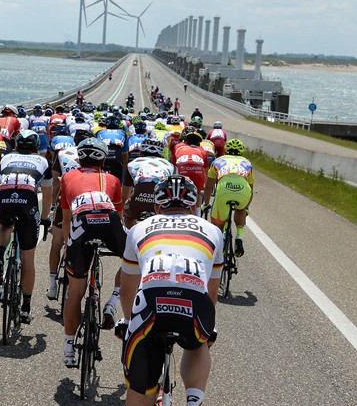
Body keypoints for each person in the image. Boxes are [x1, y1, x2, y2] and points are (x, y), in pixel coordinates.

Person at [118, 174, 223, 406]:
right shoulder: (213, 231)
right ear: (193, 206)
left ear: (156, 206)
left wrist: (127, 322)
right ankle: (194, 400)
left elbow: (127, 289)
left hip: (151, 304)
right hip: (195, 303)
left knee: (139, 389)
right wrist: (208, 328)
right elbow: (211, 293)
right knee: (199, 342)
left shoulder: (139, 228)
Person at [60, 137, 125, 367]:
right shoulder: (113, 179)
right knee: (133, 261)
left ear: (79, 158)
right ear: (103, 159)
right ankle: (113, 302)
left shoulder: (67, 177)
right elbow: (117, 216)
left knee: (75, 293)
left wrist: (70, 247)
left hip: (80, 224)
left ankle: (69, 348)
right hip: (108, 220)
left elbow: (68, 219)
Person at [0, 129, 53, 323]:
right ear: (36, 147)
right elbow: (48, 193)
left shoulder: (7, 158)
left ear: (17, 145)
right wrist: (44, 218)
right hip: (27, 202)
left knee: (4, 225)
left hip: (4, 196)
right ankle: (26, 306)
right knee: (28, 259)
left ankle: (0, 256)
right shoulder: (43, 161)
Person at [46, 128, 93, 300]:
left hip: (65, 201)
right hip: (86, 203)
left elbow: (55, 183)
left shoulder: (63, 153)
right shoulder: (94, 156)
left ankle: (52, 284)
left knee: (57, 242)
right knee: (80, 244)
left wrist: (53, 205)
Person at [201, 138, 253, 258]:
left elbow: (208, 186)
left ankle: (219, 247)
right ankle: (239, 236)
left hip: (224, 189)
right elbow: (251, 188)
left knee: (217, 224)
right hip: (243, 190)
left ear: (226, 150)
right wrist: (246, 208)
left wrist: (206, 204)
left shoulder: (218, 161)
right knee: (241, 209)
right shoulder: (247, 163)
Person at [173, 129, 210, 215]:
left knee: (178, 191)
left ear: (186, 141)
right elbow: (206, 170)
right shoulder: (202, 150)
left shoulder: (178, 147)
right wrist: (203, 185)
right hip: (198, 174)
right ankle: (197, 214)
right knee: (198, 192)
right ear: (199, 143)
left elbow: (174, 167)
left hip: (183, 172)